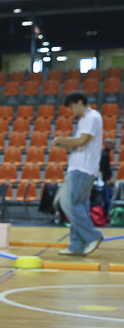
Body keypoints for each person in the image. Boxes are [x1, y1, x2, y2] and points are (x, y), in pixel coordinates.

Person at [53, 92, 104, 256]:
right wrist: (65, 143)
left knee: (68, 204)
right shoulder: (84, 119)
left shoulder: (92, 117)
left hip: (83, 169)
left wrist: (61, 140)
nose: (70, 110)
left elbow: (82, 141)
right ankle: (76, 245)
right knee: (78, 207)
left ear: (80, 102)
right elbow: (78, 143)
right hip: (80, 168)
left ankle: (93, 236)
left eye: (71, 106)